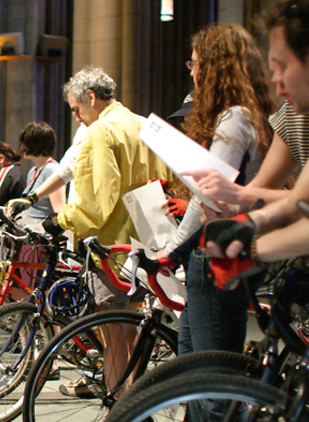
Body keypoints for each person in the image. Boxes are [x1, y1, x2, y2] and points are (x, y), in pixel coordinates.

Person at [40, 66, 172, 397]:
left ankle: (119, 407)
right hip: (148, 245)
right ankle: (135, 400)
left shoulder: (101, 132)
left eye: (77, 109)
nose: (78, 118)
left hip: (112, 250)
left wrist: (60, 221)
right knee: (134, 332)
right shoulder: (145, 125)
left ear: (91, 97)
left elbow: (96, 203)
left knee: (113, 336)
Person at [154, 25, 275, 367]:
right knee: (194, 368)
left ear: (214, 67)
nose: (191, 72)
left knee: (210, 373)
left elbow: (209, 195)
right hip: (223, 245)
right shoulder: (248, 114)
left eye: (195, 64)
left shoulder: (234, 118)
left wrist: (172, 249)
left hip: (216, 248)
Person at [202, 0, 309, 264]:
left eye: (282, 66)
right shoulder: (296, 113)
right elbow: (297, 201)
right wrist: (241, 220)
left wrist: (249, 249)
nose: (276, 80)